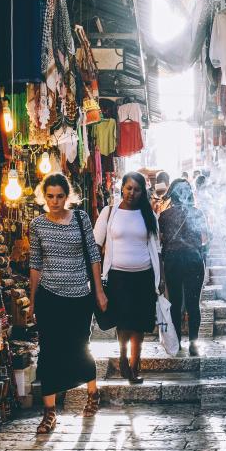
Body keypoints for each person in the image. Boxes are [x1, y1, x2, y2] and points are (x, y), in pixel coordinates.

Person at [29, 174, 107, 434]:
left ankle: (92, 393)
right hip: (49, 297)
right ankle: (49, 414)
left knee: (79, 347)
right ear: (43, 196)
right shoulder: (37, 225)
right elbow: (35, 264)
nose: (54, 201)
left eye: (59, 196)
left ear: (68, 196)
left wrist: (98, 291)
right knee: (49, 353)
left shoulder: (81, 219)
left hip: (78, 297)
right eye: (50, 196)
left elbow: (94, 255)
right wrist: (31, 301)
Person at [94, 172, 162, 384]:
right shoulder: (109, 212)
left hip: (144, 276)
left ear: (143, 192)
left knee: (140, 324)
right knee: (123, 323)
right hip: (117, 277)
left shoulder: (148, 215)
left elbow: (157, 249)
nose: (132, 193)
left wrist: (161, 281)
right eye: (129, 188)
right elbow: (95, 245)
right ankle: (123, 356)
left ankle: (135, 366)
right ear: (122, 188)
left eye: (137, 189)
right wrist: (97, 283)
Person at [159, 179, 209, 356]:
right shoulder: (197, 213)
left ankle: (177, 341)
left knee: (175, 303)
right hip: (193, 260)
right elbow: (205, 238)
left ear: (172, 194)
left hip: (172, 261)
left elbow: (161, 240)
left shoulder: (164, 216)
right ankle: (194, 344)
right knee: (193, 304)